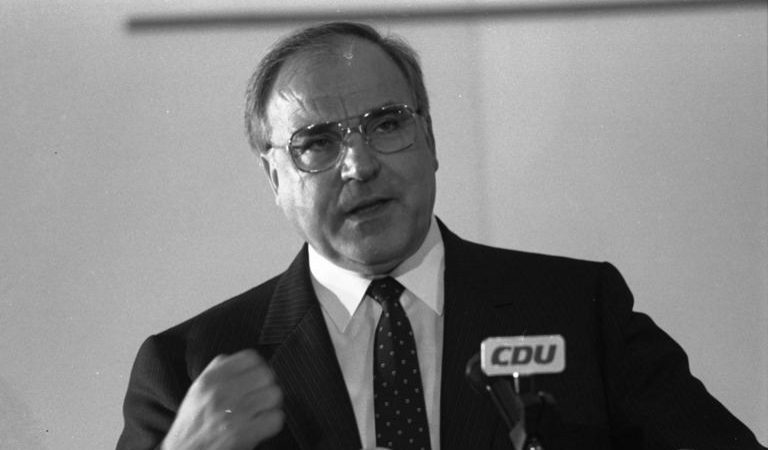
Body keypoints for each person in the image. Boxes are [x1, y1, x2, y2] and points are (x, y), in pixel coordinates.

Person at [117, 22, 764, 450]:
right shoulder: (186, 366)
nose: (359, 165)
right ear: (274, 177)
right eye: (316, 143)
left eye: (386, 124)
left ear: (428, 138)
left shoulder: (578, 309)